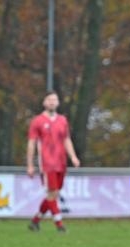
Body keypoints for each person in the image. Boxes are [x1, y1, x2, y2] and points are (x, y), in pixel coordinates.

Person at [27, 91, 80, 232]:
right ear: (44, 103)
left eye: (54, 99)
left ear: (58, 103)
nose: (52, 102)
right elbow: (32, 143)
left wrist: (73, 157)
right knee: (52, 193)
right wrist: (30, 165)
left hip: (61, 162)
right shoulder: (37, 121)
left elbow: (66, 139)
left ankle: (35, 221)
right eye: (49, 99)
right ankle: (59, 224)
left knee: (54, 194)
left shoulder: (62, 120)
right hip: (47, 163)